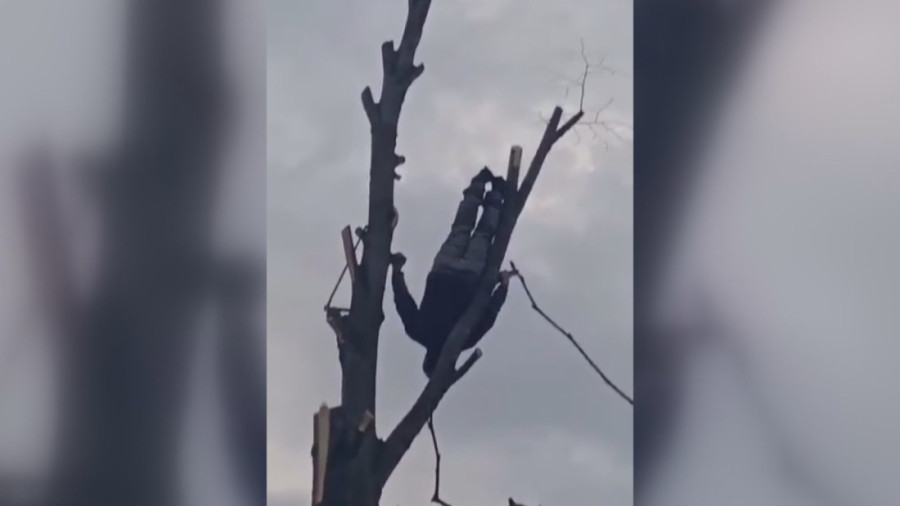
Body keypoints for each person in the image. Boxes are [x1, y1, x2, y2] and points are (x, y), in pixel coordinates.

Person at [391, 167, 515, 377]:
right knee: (461, 228)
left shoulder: (464, 340)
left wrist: (502, 286)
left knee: (483, 235)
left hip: (469, 277)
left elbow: (489, 315)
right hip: (442, 271)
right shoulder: (418, 332)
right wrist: (396, 272)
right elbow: (403, 303)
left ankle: (496, 194)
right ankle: (477, 187)